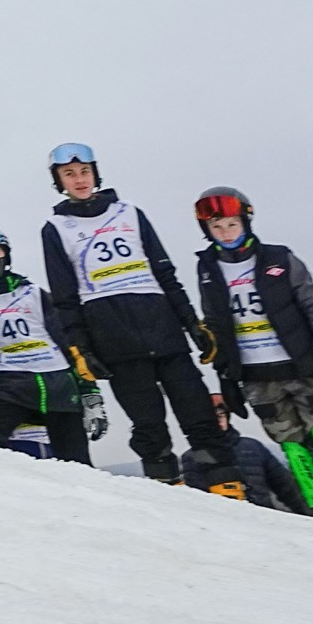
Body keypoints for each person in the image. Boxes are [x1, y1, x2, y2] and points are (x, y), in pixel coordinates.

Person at [36, 142, 241, 495]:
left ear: (95, 173)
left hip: (163, 329)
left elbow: (165, 273)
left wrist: (193, 325)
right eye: (69, 174)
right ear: (59, 181)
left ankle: (227, 489)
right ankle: (167, 491)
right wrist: (79, 348)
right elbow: (64, 296)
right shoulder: (56, 227)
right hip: (114, 339)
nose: (79, 179)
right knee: (149, 425)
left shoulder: (129, 213)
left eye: (84, 171)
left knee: (199, 417)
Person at [189, 187, 313, 527]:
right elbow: (215, 323)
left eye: (231, 224)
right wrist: (226, 373)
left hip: (303, 367)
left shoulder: (279, 259)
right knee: (296, 452)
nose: (225, 233)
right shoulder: (208, 271)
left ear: (246, 222)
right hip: (257, 376)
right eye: (217, 228)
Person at [0, 227, 88, 463]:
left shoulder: (35, 294)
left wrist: (90, 391)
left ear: (6, 255)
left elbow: (67, 341)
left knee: (76, 459)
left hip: (57, 383)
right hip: (11, 383)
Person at [204, 393, 308, 511]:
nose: (217, 423)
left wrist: (307, 515)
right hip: (222, 519)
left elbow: (286, 487)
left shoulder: (252, 447)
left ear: (227, 417)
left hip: (264, 517)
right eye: (211, 419)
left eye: (220, 416)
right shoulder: (194, 456)